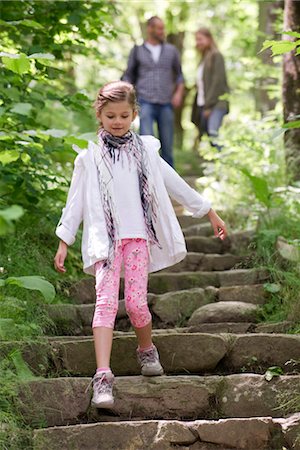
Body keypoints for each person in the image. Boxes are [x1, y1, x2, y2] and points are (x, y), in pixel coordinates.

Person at [54, 81, 227, 410]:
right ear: (99, 116)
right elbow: (74, 201)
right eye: (110, 116)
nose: (117, 121)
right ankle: (103, 375)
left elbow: (174, 181)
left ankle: (146, 349)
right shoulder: (89, 156)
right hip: (105, 241)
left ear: (134, 114)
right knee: (104, 303)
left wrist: (209, 212)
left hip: (137, 238)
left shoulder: (146, 151)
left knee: (134, 304)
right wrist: (65, 239)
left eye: (123, 115)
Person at [122, 16, 184, 168]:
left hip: (166, 103)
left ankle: (170, 188)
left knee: (167, 146)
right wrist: (124, 94)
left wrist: (178, 94)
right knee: (147, 144)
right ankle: (147, 182)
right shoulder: (137, 51)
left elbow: (180, 76)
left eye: (163, 28)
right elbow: (128, 75)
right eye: (160, 28)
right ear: (150, 29)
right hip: (145, 102)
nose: (163, 32)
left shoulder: (171, 51)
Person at [191, 27, 230, 151]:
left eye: (200, 39)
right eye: (196, 40)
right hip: (204, 104)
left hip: (216, 104)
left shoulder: (216, 56)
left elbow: (217, 82)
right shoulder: (203, 59)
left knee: (213, 134)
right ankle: (216, 163)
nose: (198, 43)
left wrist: (208, 106)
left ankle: (228, 161)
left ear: (209, 39)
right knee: (207, 135)